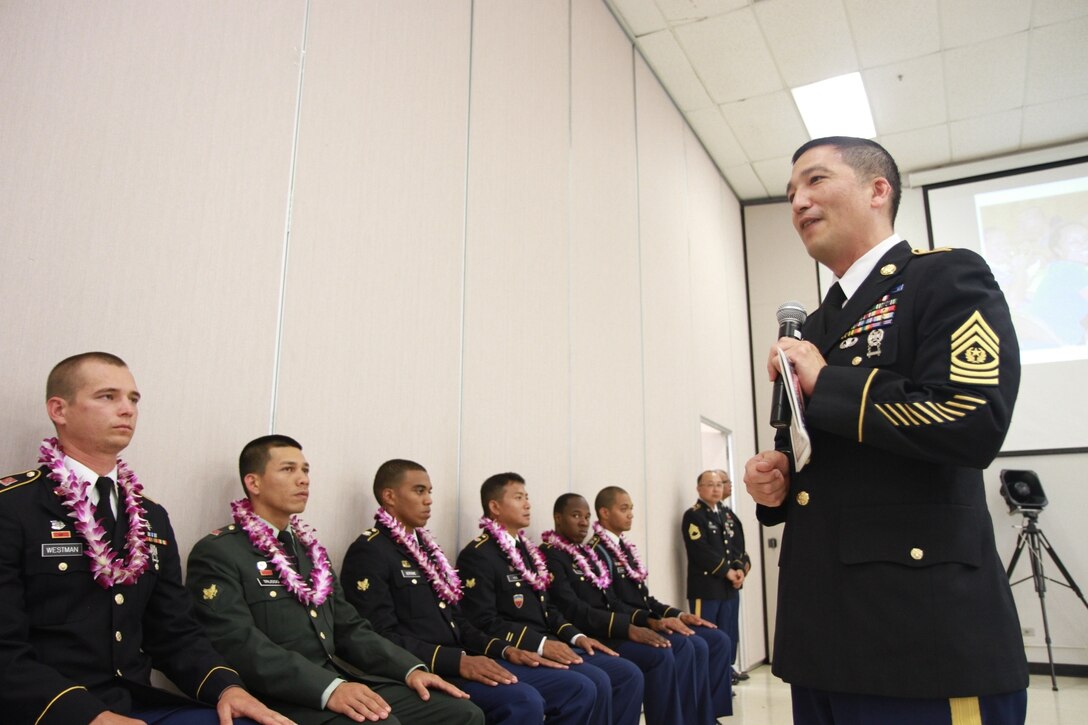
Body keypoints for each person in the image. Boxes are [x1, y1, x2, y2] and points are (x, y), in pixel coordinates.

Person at [744, 136, 1028, 724]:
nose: (797, 201)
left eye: (816, 181)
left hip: (918, 635)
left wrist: (828, 383)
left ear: (879, 190)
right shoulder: (817, 324)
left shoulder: (944, 276)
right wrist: (779, 476)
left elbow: (973, 420)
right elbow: (823, 458)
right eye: (791, 191)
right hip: (820, 635)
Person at [0, 352, 289, 725]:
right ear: (59, 409)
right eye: (108, 397)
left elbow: (174, 630)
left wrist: (226, 688)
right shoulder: (14, 507)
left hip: (135, 703)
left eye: (133, 399)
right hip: (51, 708)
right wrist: (87, 715)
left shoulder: (150, 516)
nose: (127, 410)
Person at [186, 436, 483, 725]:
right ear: (254, 483)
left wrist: (409, 669)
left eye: (305, 470)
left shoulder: (310, 552)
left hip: (337, 676)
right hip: (281, 693)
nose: (303, 480)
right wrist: (329, 688)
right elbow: (238, 643)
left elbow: (350, 627)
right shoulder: (219, 552)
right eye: (288, 470)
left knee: (460, 713)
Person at [341, 459, 597, 724]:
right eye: (419, 491)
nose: (428, 500)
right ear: (389, 496)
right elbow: (379, 636)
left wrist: (505, 649)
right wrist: (457, 662)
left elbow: (459, 622)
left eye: (430, 491)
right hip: (422, 667)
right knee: (523, 700)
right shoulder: (370, 551)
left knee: (576, 686)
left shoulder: (427, 552)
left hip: (462, 658)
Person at [456, 473, 644, 725]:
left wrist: (577, 636)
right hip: (515, 649)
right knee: (588, 684)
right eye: (519, 497)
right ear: (494, 507)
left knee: (627, 673)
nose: (528, 504)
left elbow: (548, 609)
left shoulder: (527, 551)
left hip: (549, 641)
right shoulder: (478, 555)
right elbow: (484, 620)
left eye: (527, 497)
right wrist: (542, 644)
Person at [541, 492, 699, 725]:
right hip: (590, 634)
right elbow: (573, 608)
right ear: (557, 518)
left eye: (586, 516)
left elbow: (611, 600)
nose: (584, 522)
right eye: (576, 515)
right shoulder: (550, 554)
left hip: (610, 629)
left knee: (674, 645)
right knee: (655, 656)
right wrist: (628, 629)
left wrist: (648, 620)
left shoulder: (585, 553)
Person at [591, 486, 732, 723]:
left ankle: (704, 717)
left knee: (717, 639)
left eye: (631, 508)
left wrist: (678, 615)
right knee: (687, 645)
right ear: (604, 513)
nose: (630, 514)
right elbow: (611, 604)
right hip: (625, 627)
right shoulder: (597, 552)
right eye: (623, 509)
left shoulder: (623, 548)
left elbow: (647, 600)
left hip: (645, 619)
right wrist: (652, 621)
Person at [682, 469, 750, 684]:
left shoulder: (727, 514)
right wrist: (727, 571)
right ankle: (708, 683)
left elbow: (738, 544)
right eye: (710, 484)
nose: (716, 489)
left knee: (729, 634)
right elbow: (700, 551)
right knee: (708, 636)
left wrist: (739, 569)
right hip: (707, 588)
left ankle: (725, 677)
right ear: (699, 488)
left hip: (730, 588)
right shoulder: (694, 515)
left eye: (719, 484)